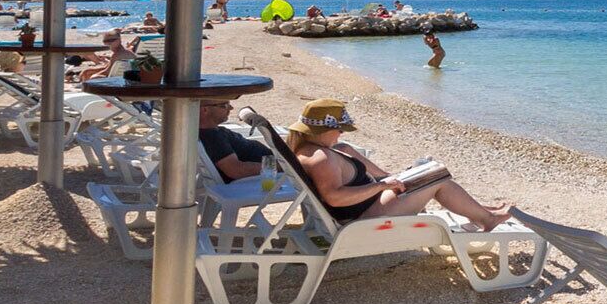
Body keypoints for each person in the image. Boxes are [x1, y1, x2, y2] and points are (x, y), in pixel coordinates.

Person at [281, 98, 511, 230]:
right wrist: (381, 187)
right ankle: (486, 219)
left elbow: (377, 174)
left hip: (369, 204)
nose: (341, 132)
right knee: (439, 180)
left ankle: (478, 210)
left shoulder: (316, 150)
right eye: (339, 128)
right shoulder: (321, 158)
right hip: (365, 218)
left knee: (428, 167)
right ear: (324, 128)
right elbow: (334, 197)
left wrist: (395, 178)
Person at [198, 99, 273, 180]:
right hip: (271, 176)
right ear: (205, 110)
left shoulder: (211, 132)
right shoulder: (212, 137)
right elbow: (236, 170)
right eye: (224, 105)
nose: (231, 108)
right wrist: (278, 166)